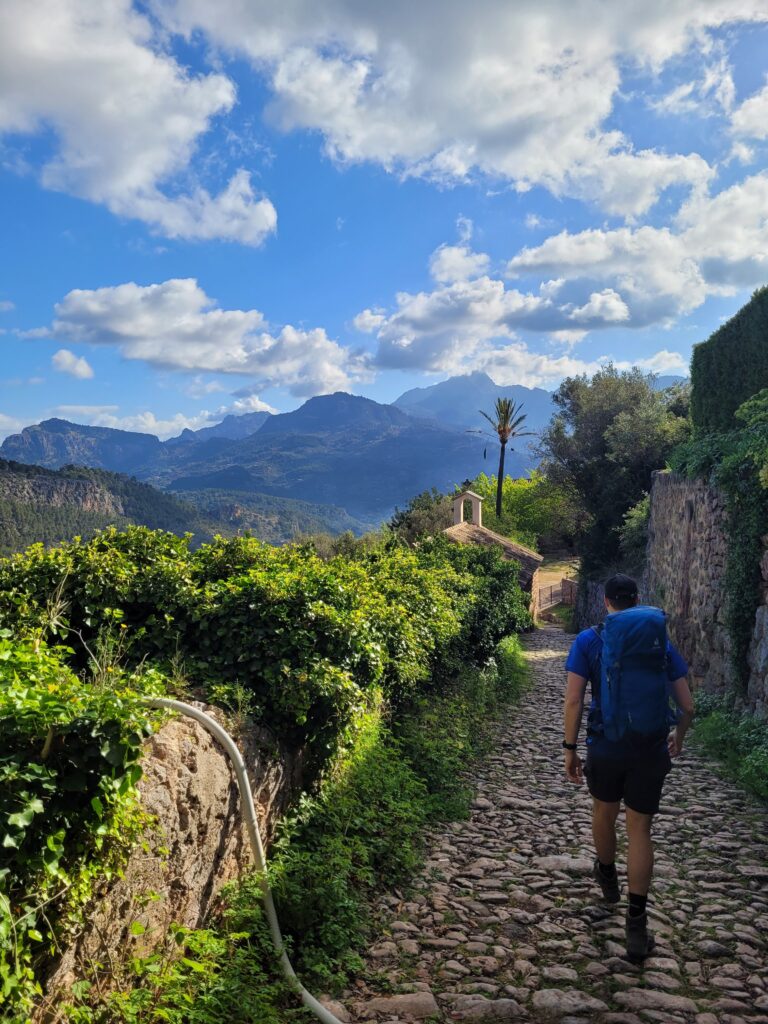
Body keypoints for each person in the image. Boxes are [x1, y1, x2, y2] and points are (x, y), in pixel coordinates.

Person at [562, 573, 694, 960]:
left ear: (605, 603)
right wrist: (679, 737)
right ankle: (636, 927)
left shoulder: (589, 640)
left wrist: (570, 749)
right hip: (650, 748)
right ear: (636, 601)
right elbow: (688, 706)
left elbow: (573, 701)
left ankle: (607, 877)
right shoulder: (658, 643)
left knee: (604, 813)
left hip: (606, 746)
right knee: (640, 830)